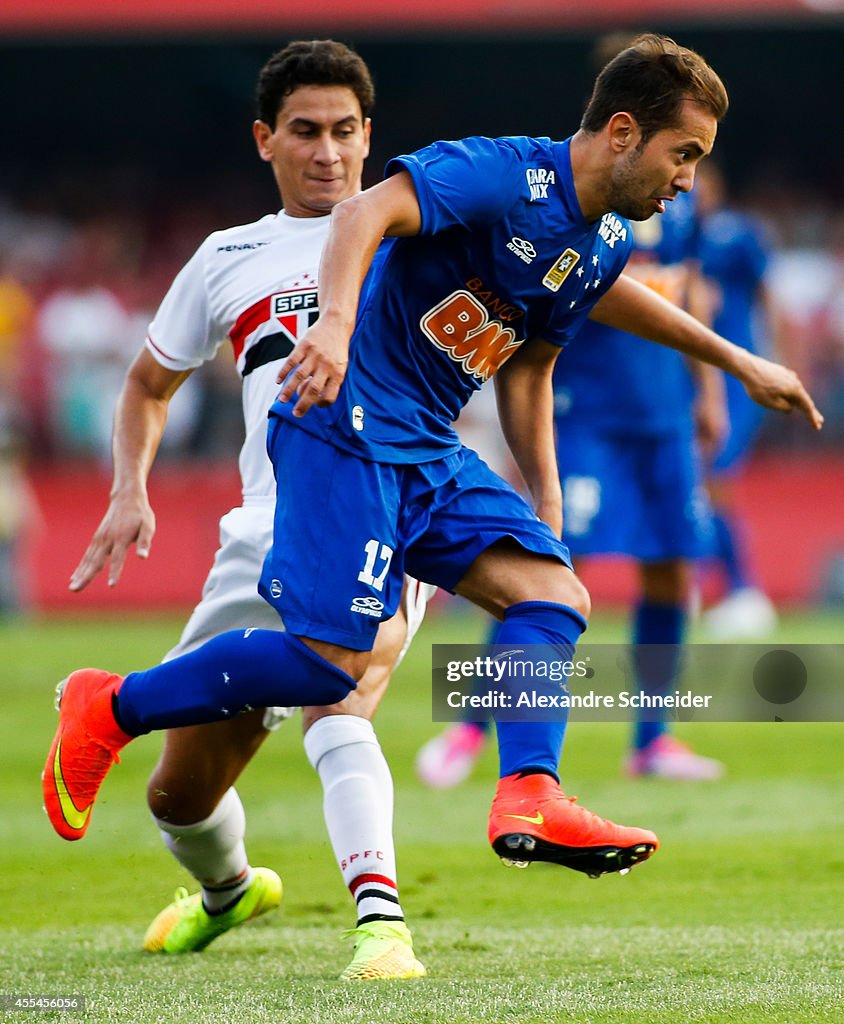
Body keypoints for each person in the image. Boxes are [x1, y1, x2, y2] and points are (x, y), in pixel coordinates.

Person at [45, 35, 822, 899]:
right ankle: (109, 705)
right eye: (684, 155)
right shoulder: (500, 173)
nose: (687, 180)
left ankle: (531, 794)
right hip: (345, 424)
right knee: (329, 669)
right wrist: (334, 326)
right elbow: (360, 215)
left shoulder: (600, 240)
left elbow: (529, 368)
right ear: (623, 131)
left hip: (424, 445)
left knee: (553, 593)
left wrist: (549, 503)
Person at [64, 40, 430, 981]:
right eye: (305, 132)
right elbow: (149, 385)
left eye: (346, 132)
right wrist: (127, 488)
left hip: (392, 503)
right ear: (265, 139)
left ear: (368, 138)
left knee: (342, 691)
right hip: (263, 526)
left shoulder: (415, 228)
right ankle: (231, 893)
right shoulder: (227, 256)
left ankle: (381, 928)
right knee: (179, 796)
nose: (329, 153)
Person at [417, 188, 726, 788]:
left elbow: (690, 293)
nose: (683, 174)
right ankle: (470, 727)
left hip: (664, 418)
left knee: (672, 569)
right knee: (547, 568)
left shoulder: (680, 212)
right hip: (587, 414)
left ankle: (652, 740)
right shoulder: (585, 210)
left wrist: (709, 393)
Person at [695, 160, 784, 638]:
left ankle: (744, 589)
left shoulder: (738, 234)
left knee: (714, 474)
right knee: (699, 477)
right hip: (692, 376)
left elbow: (769, 293)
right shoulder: (671, 238)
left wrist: (781, 359)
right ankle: (717, 585)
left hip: (737, 377)